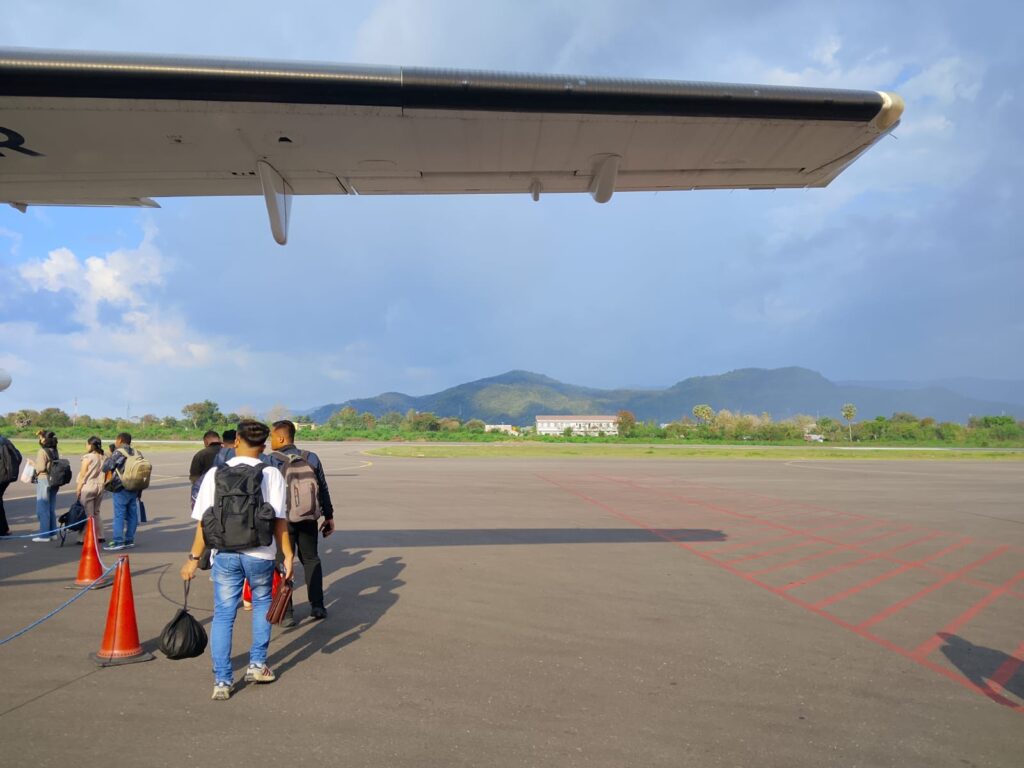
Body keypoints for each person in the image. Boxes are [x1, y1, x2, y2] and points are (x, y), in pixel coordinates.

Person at [180, 419, 294, 701]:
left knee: (223, 615)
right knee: (261, 606)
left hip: (225, 554)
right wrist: (288, 556)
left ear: (237, 442)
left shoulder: (215, 474)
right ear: (264, 445)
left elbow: (204, 523)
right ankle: (256, 666)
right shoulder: (272, 473)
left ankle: (222, 680)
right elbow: (280, 523)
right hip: (261, 554)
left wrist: (194, 559)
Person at [267, 419, 335, 626]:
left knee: (282, 562)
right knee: (311, 559)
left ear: (281, 437)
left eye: (272, 437)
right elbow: (322, 488)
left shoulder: (271, 460)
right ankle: (318, 605)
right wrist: (329, 516)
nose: (270, 441)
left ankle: (286, 612)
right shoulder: (311, 457)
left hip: (282, 521)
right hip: (308, 517)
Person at [102, 432, 141, 551]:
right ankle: (129, 539)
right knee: (132, 514)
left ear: (120, 440)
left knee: (119, 514)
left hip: (121, 486)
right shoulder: (137, 452)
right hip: (134, 486)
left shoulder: (119, 452)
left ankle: (118, 541)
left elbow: (106, 467)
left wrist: (109, 456)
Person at [75, 436, 106, 544]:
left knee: (88, 514)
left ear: (91, 445)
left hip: (89, 486)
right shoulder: (103, 457)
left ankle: (83, 537)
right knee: (96, 512)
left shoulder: (88, 457)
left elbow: (83, 474)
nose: (86, 446)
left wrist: (78, 489)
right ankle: (100, 535)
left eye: (87, 444)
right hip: (100, 486)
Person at [32, 430, 60, 542]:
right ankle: (52, 533)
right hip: (54, 481)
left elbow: (41, 468)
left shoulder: (42, 452)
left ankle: (44, 535)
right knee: (51, 509)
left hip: (44, 480)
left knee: (42, 508)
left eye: (40, 437)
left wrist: (32, 464)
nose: (39, 439)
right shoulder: (55, 450)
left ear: (44, 439)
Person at [188, 430, 221, 509]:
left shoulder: (200, 454)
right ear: (220, 440)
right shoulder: (230, 452)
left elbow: (194, 477)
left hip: (206, 492)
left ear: (205, 442)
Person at [0, 432, 20, 536]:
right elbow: (18, 456)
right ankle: (4, 529)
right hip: (7, 477)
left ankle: (4, 529)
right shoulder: (6, 441)